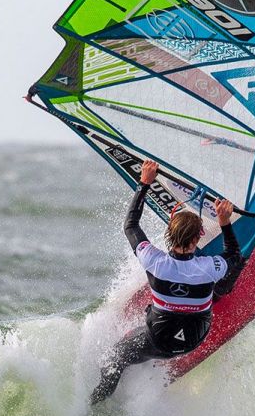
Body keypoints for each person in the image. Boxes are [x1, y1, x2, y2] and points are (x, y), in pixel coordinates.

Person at [90, 159, 244, 403]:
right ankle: (223, 289)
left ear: (169, 235)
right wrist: (225, 222)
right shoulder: (209, 267)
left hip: (157, 341)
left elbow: (130, 226)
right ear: (197, 239)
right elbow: (234, 254)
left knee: (115, 357)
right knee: (225, 278)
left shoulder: (154, 261)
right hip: (194, 339)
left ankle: (94, 402)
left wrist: (144, 183)